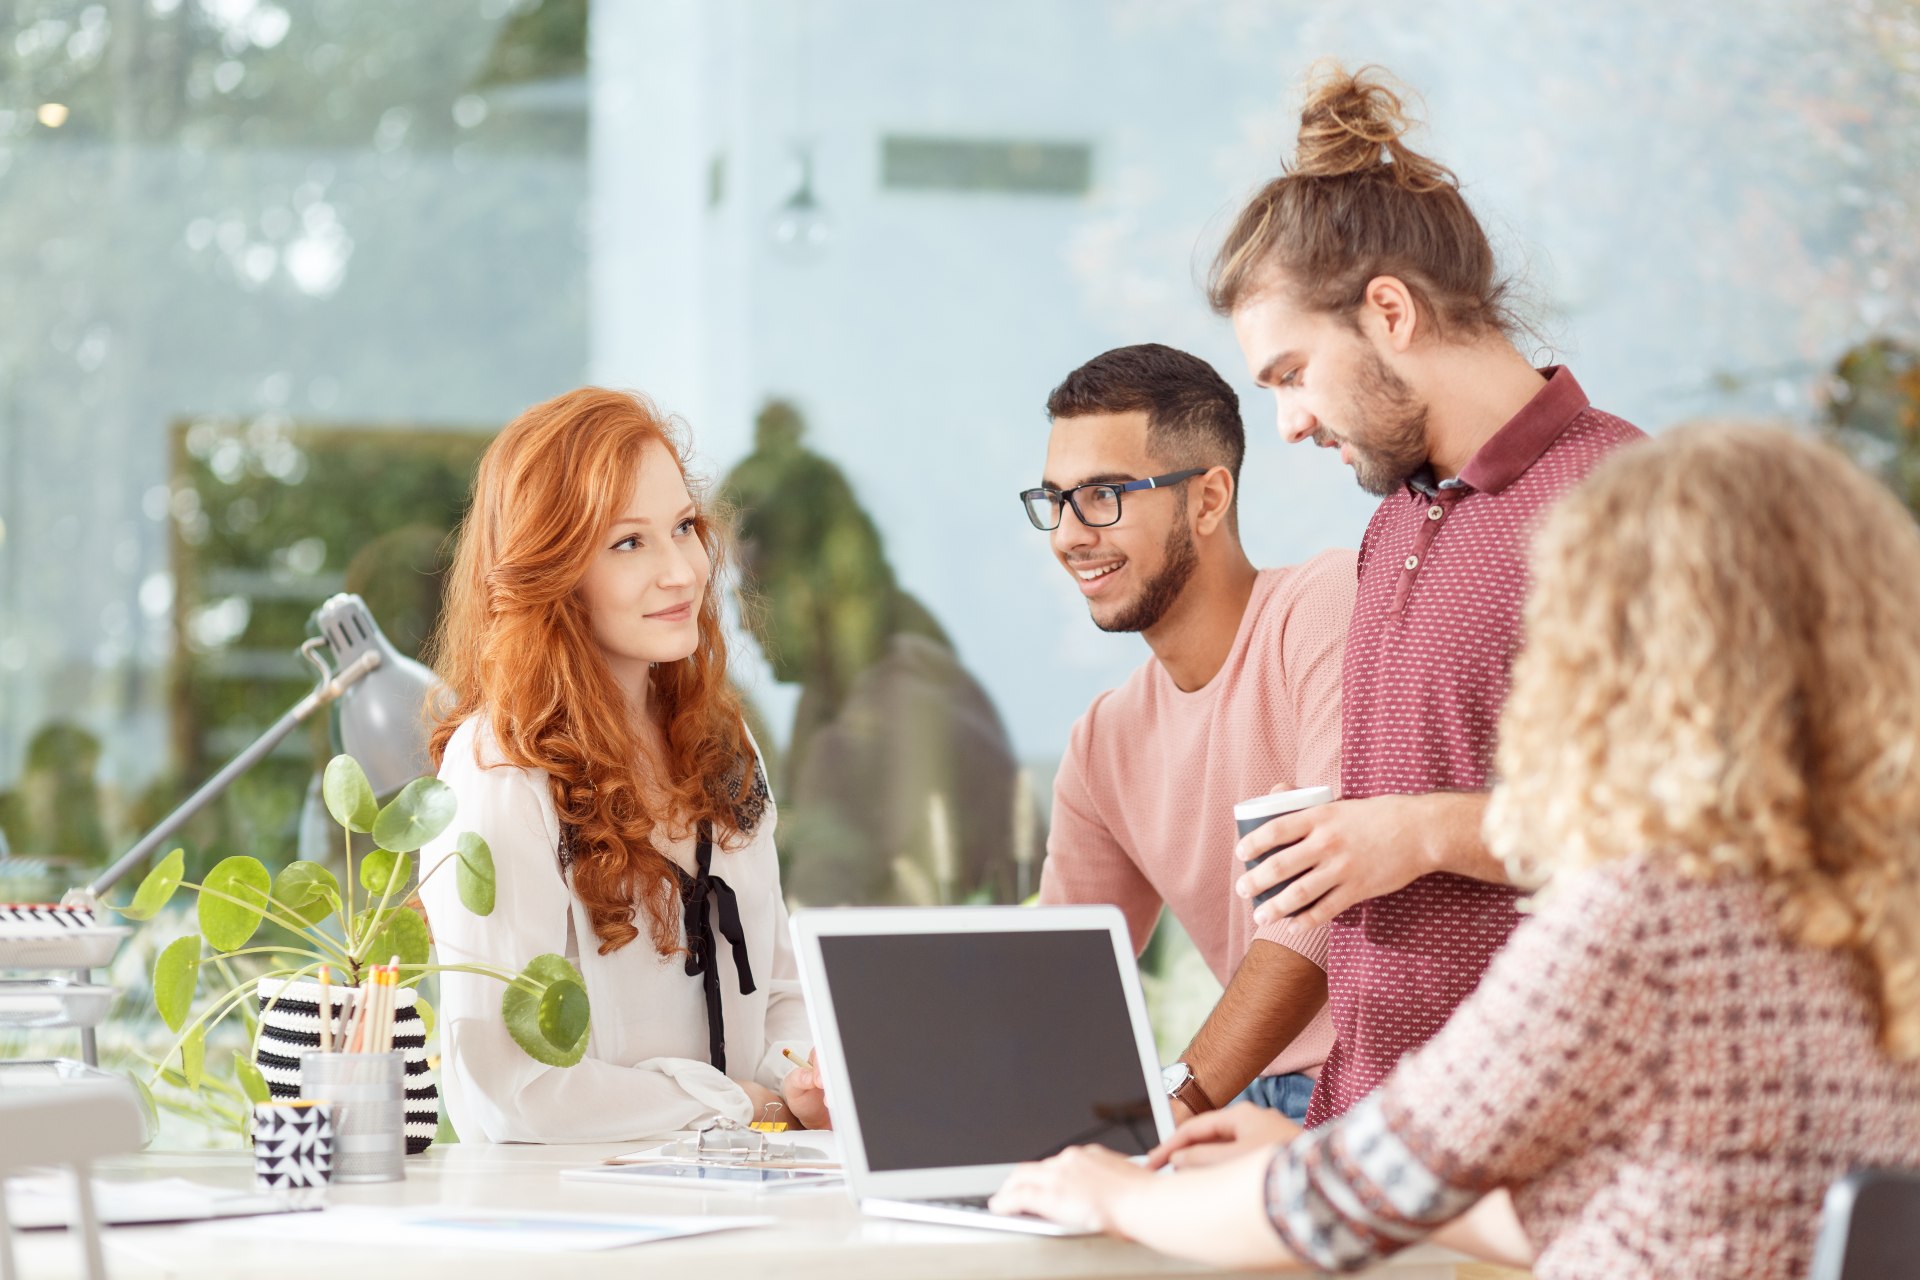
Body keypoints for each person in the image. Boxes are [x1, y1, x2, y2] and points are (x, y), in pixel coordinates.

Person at [992, 422, 1920, 1278]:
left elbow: (1333, 1211)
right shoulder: (1883, 920)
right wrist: (1313, 1156)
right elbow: (1666, 1210)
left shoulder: (1645, 922)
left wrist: (1119, 1192)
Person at [1208, 64, 1645, 1124]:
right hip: (1370, 1138)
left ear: (1389, 311)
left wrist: (1423, 831)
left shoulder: (1626, 503)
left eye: (1292, 373)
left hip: (1541, 1154)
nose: (1290, 425)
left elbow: (1686, 833)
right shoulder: (1392, 522)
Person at [417, 387, 826, 1143]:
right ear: (553, 569)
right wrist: (740, 1106)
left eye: (684, 528)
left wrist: (809, 1081)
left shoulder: (723, 742)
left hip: (750, 1210)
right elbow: (510, 1092)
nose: (683, 572)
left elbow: (780, 994)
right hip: (580, 1230)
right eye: (629, 543)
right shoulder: (499, 770)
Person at [1029, 343, 1352, 1123]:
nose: (1070, 535)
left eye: (1104, 495)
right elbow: (1054, 982)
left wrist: (1180, 1096)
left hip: (1371, 1092)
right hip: (1244, 1102)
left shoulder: (1323, 606)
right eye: (1054, 501)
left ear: (1208, 500)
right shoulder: (1105, 741)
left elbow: (1319, 915)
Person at [723, 400, 1040, 907]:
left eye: (749, 585)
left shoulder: (876, 724)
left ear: (803, 586)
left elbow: (811, 935)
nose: (739, 618)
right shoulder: (902, 681)